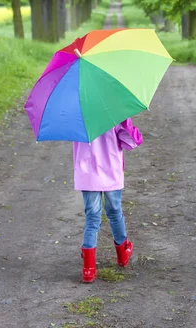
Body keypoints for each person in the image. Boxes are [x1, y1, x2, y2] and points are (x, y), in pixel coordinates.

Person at [73, 118, 143, 283]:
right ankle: (122, 252)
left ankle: (88, 269)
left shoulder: (77, 116)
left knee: (92, 218)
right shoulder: (114, 114)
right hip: (111, 172)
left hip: (87, 174)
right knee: (114, 212)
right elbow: (130, 143)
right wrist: (127, 123)